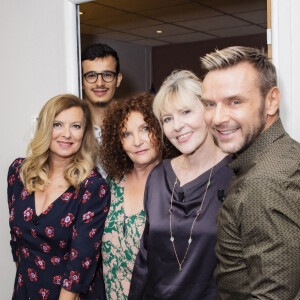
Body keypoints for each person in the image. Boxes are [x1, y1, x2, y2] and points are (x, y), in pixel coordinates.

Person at [200, 46, 300, 299]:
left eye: (235, 102)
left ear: (271, 101)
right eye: (210, 104)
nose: (218, 118)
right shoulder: (285, 153)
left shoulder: (263, 182)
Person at [128, 70, 233, 300]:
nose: (177, 125)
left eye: (186, 112)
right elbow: (145, 259)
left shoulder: (235, 174)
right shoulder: (158, 176)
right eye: (167, 118)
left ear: (208, 111)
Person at [7, 94, 110, 300]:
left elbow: (81, 262)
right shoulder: (19, 172)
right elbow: (18, 243)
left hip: (70, 295)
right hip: (26, 289)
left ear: (84, 133)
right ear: (45, 128)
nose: (67, 134)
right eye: (58, 124)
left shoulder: (92, 186)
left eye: (76, 126)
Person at [100, 93, 176, 300]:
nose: (137, 141)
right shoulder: (111, 184)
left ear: (160, 129)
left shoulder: (177, 186)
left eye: (145, 129)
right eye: (126, 134)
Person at [81, 43, 122, 177]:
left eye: (107, 75)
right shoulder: (71, 125)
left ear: (118, 79)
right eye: (91, 75)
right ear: (81, 81)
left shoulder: (131, 122)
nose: (100, 83)